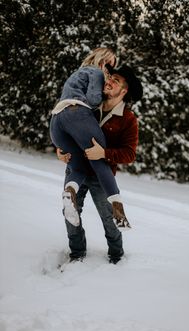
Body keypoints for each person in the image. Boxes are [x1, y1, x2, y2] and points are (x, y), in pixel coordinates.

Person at [57, 63, 143, 264]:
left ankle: (116, 256)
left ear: (124, 90)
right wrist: (60, 149)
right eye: (111, 77)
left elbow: (129, 154)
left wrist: (103, 153)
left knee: (108, 218)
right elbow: (67, 126)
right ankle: (77, 253)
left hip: (101, 176)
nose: (110, 81)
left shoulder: (128, 119)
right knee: (70, 212)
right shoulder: (89, 104)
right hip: (77, 169)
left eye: (117, 80)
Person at [50, 47, 130, 230]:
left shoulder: (77, 74)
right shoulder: (96, 72)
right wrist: (102, 94)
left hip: (56, 122)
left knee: (77, 164)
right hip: (77, 114)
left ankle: (70, 190)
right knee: (98, 158)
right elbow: (93, 100)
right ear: (102, 61)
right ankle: (118, 208)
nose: (109, 72)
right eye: (109, 66)